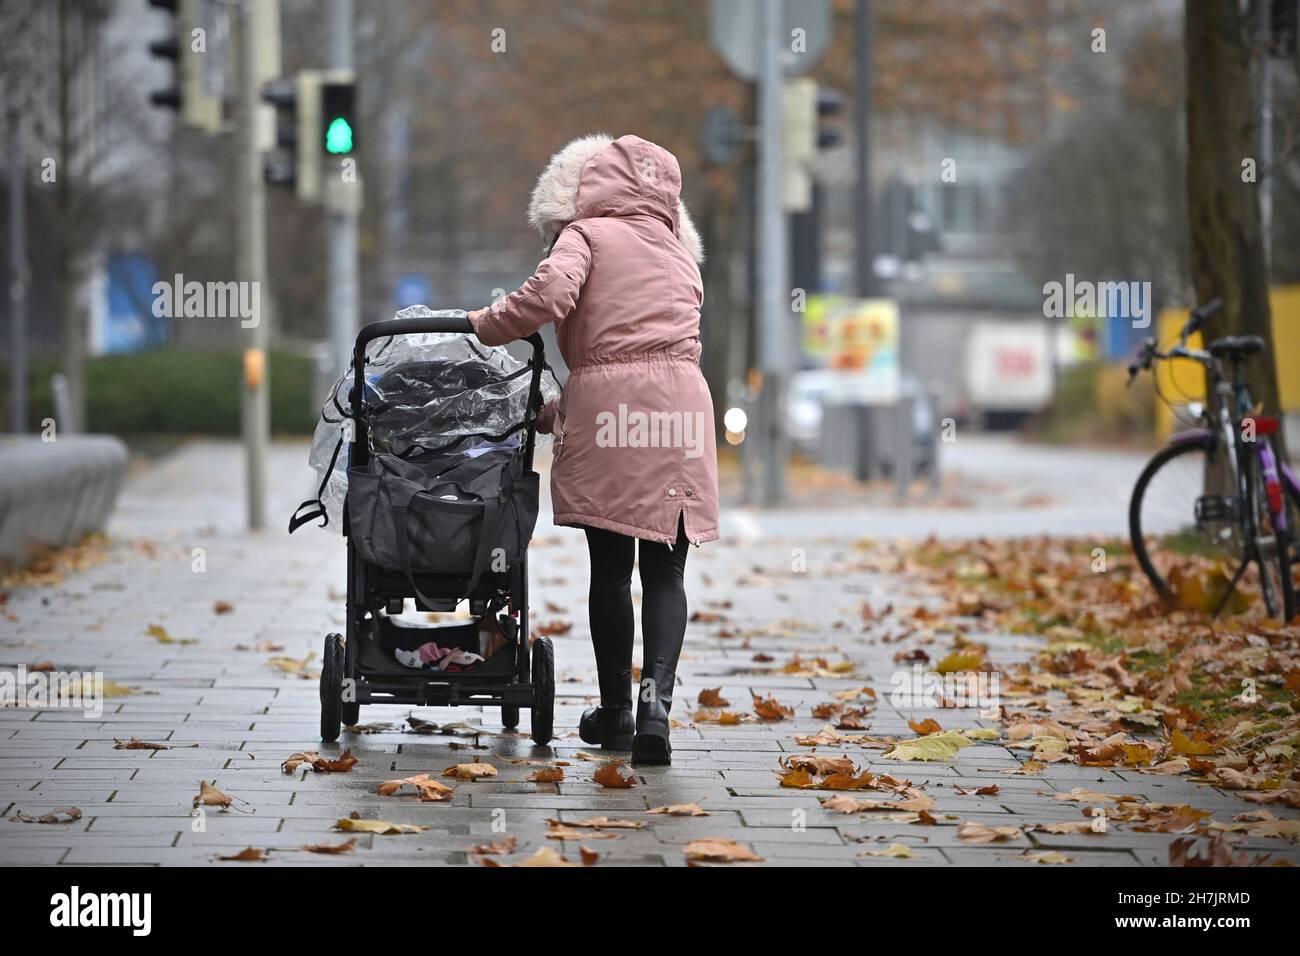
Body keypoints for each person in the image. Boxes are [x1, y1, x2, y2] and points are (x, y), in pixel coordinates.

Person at [469, 133, 718, 765]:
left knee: (611, 567)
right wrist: (564, 413)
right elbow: (657, 352)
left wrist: (481, 324)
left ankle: (615, 715)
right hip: (683, 410)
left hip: (612, 411)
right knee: (666, 569)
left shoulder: (586, 235)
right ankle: (656, 702)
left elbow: (551, 300)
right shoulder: (679, 250)